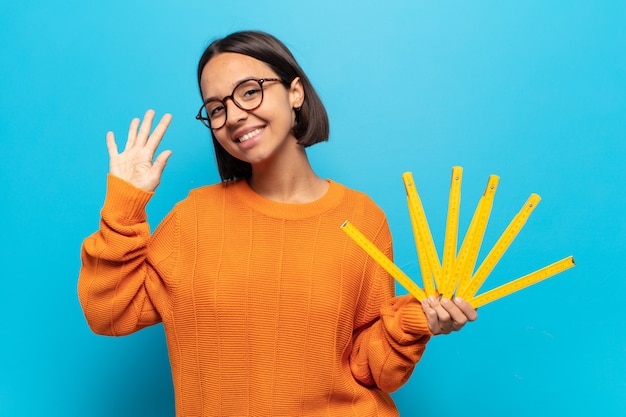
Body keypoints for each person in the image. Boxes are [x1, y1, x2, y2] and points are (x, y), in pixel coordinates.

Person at [78, 30, 477, 417]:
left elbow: (369, 368)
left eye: (249, 91)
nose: (234, 115)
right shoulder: (193, 219)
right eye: (216, 108)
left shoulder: (361, 219)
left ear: (295, 92)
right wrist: (125, 203)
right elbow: (109, 312)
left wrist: (415, 322)